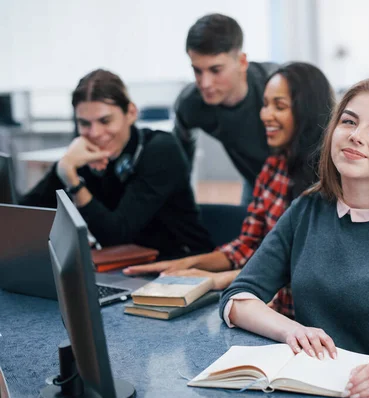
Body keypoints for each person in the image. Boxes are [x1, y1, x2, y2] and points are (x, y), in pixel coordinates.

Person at [219, 78, 369, 398]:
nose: (355, 135)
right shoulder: (308, 210)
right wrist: (293, 330)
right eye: (348, 121)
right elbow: (238, 298)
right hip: (326, 389)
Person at [124, 62, 335, 318]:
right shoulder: (272, 168)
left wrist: (217, 279)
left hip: (305, 322)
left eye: (279, 106)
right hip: (271, 314)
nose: (265, 115)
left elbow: (297, 270)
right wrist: (188, 263)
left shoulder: (329, 183)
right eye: (265, 104)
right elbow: (246, 247)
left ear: (307, 113)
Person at [20, 69, 213, 259]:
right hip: (123, 270)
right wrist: (64, 167)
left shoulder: (161, 150)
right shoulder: (80, 156)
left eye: (105, 121)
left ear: (130, 113)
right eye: (85, 123)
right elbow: (22, 214)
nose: (94, 133)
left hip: (183, 267)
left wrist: (72, 179)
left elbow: (117, 234)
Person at [174, 13, 278, 205]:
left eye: (215, 70)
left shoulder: (279, 86)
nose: (205, 83)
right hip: (255, 181)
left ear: (242, 62)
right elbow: (179, 164)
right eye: (197, 70)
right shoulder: (190, 104)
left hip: (304, 181)